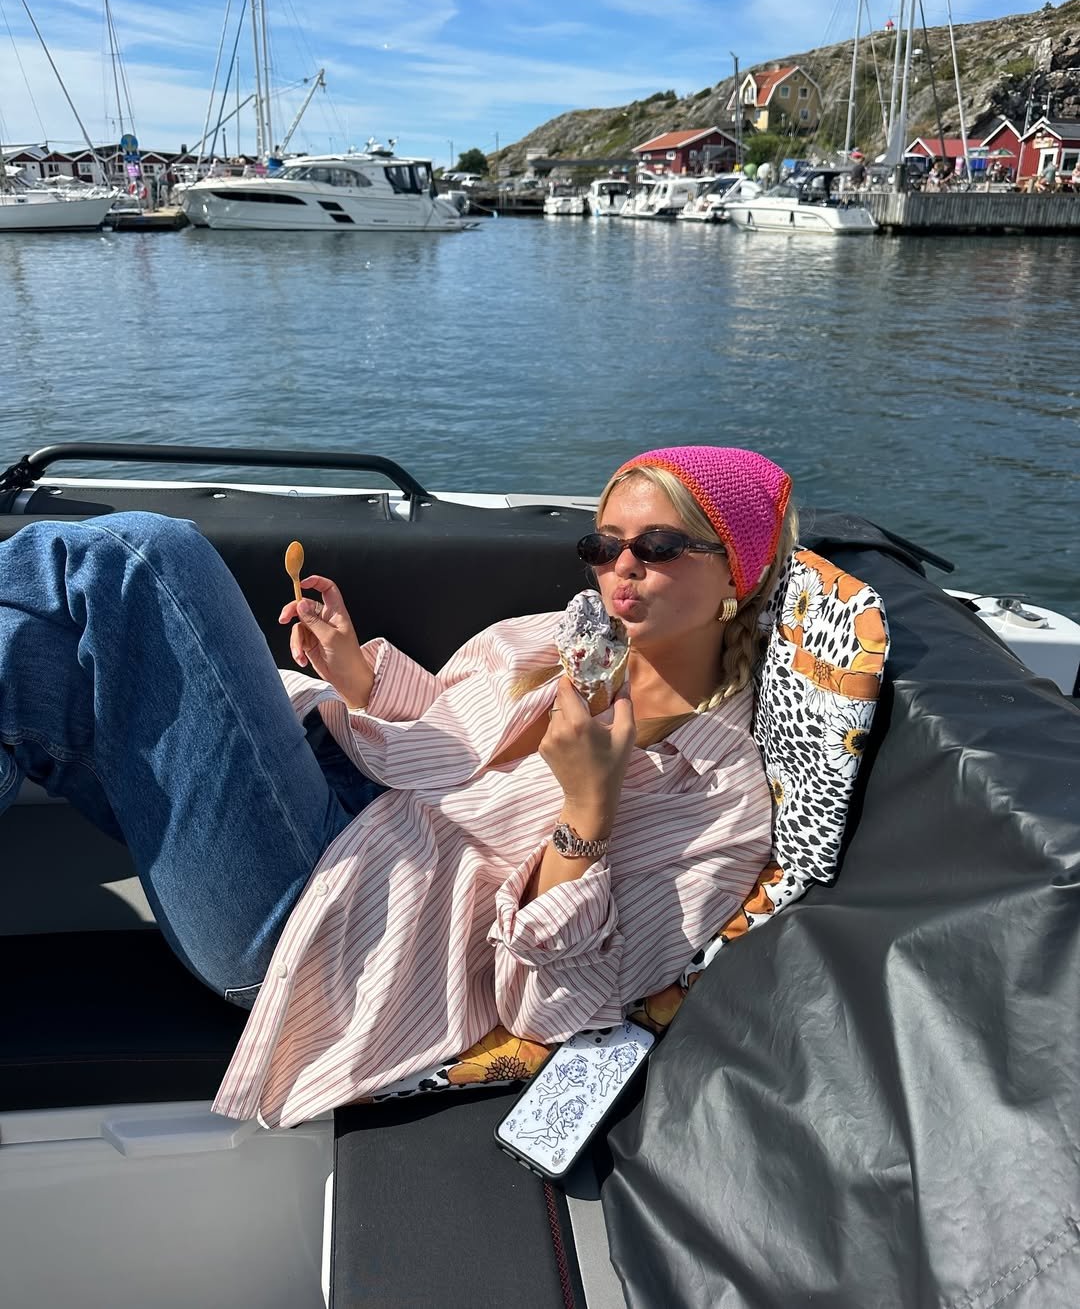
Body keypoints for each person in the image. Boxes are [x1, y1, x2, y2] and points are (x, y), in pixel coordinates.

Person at [0, 446, 793, 1127]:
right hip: (337, 778)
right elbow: (450, 720)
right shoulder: (566, 636)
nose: (621, 567)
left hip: (330, 917)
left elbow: (554, 1008)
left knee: (147, 557)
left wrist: (586, 813)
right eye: (603, 541)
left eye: (657, 545)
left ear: (740, 572)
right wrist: (362, 678)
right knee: (35, 658)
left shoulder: (718, 802)